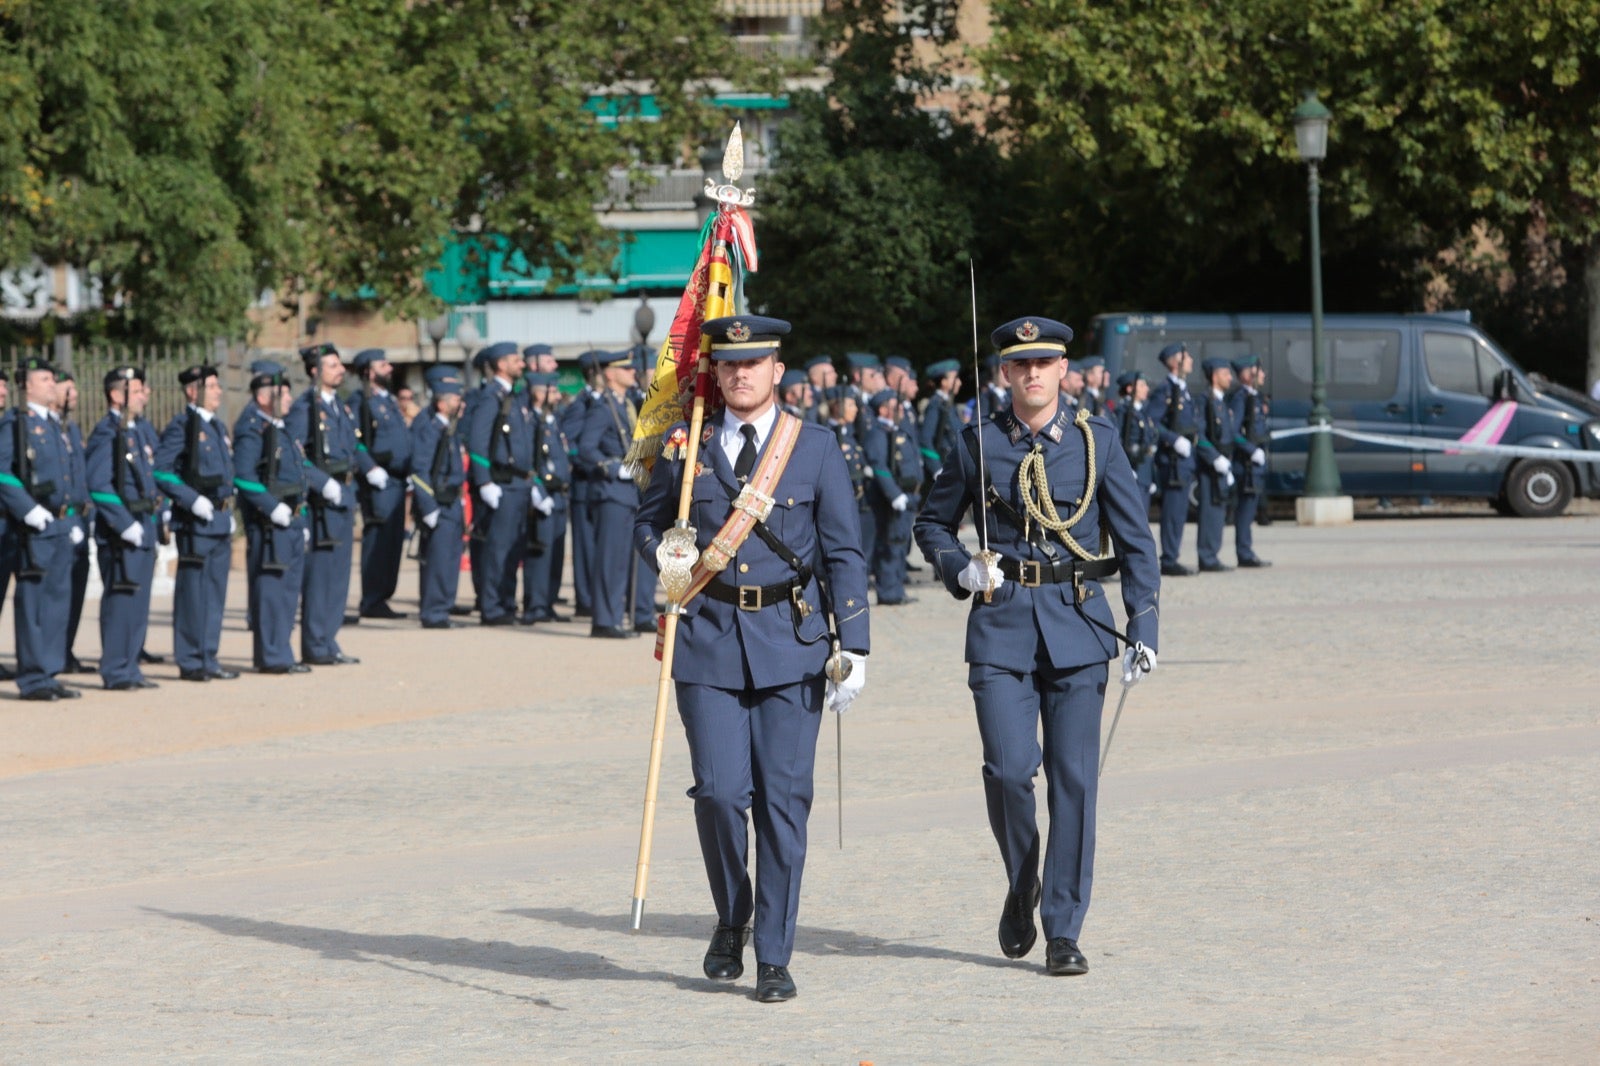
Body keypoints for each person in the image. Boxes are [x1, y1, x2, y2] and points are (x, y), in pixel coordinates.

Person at [634, 313, 870, 1004]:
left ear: (777, 370)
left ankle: (773, 952)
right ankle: (732, 912)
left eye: (754, 362)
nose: (741, 374)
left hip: (791, 642)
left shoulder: (815, 447)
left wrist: (852, 644)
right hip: (706, 635)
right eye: (729, 364)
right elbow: (647, 518)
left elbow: (844, 551)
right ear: (717, 370)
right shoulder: (688, 444)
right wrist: (665, 554)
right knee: (717, 792)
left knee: (783, 803)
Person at [913, 315, 1159, 977]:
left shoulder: (1097, 441)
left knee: (1075, 784)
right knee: (1007, 771)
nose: (1032, 375)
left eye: (1044, 363)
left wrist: (1145, 625)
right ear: (1004, 374)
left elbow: (1136, 541)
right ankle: (1023, 882)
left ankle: (1063, 928)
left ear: (1063, 371)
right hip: (1001, 625)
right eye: (1020, 365)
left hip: (1079, 626)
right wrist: (960, 568)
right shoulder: (976, 444)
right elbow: (932, 523)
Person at [0, 357, 84, 700]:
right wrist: (29, 509)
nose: (53, 384)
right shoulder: (16, 423)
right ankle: (33, 677)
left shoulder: (55, 425)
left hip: (60, 523)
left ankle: (49, 671)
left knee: (57, 602)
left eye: (53, 379)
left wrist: (72, 518)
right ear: (28, 386)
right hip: (35, 525)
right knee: (34, 603)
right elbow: (3, 473)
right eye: (45, 379)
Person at [154, 363, 237, 682]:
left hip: (217, 518)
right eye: (211, 386)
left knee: (215, 593)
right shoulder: (183, 425)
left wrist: (226, 509)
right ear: (193, 391)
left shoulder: (216, 426)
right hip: (195, 521)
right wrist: (193, 500)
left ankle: (208, 656)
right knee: (193, 594)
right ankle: (190, 659)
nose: (217, 392)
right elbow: (162, 471)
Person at [85, 367, 162, 690]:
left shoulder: (136, 431)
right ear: (117, 395)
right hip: (121, 531)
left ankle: (129, 666)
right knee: (121, 599)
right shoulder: (108, 431)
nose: (144, 394)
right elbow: (98, 482)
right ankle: (116, 669)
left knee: (137, 601)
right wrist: (124, 523)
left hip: (143, 524)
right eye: (136, 389)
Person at [232, 360, 310, 674]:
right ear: (266, 396)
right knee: (271, 592)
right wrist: (270, 506)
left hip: (289, 521)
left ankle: (283, 652)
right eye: (284, 394)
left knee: (288, 591)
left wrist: (297, 514)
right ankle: (271, 655)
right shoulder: (253, 428)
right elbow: (243, 476)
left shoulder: (280, 426)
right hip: (269, 523)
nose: (290, 400)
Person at [289, 343, 361, 664]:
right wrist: (322, 483)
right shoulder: (305, 407)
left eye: (339, 364)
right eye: (332, 365)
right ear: (315, 371)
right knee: (321, 575)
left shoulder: (339, 407)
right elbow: (294, 456)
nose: (340, 370)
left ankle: (329, 639)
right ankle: (315, 643)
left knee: (339, 574)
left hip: (343, 496)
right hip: (322, 501)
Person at [579, 349, 647, 637]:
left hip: (626, 494)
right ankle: (605, 620)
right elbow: (585, 448)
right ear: (610, 374)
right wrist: (611, 467)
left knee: (621, 560)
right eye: (627, 369)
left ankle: (615, 617)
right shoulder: (603, 408)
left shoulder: (624, 405)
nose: (634, 372)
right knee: (610, 559)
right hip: (610, 492)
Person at [465, 341, 534, 626]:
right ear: (501, 364)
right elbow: (478, 442)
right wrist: (484, 482)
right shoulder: (491, 396)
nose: (521, 363)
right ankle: (492, 607)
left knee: (513, 550)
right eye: (515, 359)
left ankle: (506, 603)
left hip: (518, 485)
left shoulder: (513, 397)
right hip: (501, 485)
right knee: (498, 550)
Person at [349, 348, 413, 620]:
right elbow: (354, 439)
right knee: (378, 541)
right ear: (369, 371)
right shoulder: (361, 400)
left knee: (393, 542)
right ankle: (372, 598)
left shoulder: (388, 400)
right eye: (382, 364)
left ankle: (383, 597)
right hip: (379, 480)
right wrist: (370, 468)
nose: (389, 367)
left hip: (397, 480)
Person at [410, 365, 469, 628]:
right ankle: (434, 611)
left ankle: (443, 607)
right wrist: (428, 506)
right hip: (439, 502)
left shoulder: (450, 428)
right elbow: (420, 470)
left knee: (451, 557)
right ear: (443, 404)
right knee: (438, 559)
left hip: (452, 500)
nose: (460, 403)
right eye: (456, 399)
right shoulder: (431, 428)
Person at [521, 371, 572, 624]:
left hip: (560, 496)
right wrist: (538, 492)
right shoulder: (533, 424)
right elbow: (530, 462)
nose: (556, 395)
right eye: (551, 391)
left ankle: (548, 602)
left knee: (556, 555)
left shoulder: (554, 421)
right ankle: (535, 605)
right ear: (538, 394)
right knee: (540, 555)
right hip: (543, 496)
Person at [861, 388, 919, 605]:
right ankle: (889, 592)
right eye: (896, 407)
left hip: (907, 495)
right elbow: (879, 466)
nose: (901, 410)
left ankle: (896, 588)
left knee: (900, 544)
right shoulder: (878, 432)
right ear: (883, 409)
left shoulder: (897, 430)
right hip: (891, 499)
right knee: (891, 545)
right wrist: (894, 494)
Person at [1148, 343, 1199, 577]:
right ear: (1173, 361)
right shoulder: (1165, 390)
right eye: (1185, 356)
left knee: (1180, 512)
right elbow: (1152, 422)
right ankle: (1169, 558)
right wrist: (1172, 439)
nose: (1189, 360)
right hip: (1173, 460)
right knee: (1173, 511)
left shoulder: (1182, 388)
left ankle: (1173, 555)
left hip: (1184, 460)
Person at [53, 369, 91, 674]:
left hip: (78, 519)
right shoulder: (40, 429)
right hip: (56, 521)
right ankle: (48, 656)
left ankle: (64, 651)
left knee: (74, 590)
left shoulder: (71, 429)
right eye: (68, 390)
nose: (74, 396)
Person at [561, 351, 602, 620]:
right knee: (586, 547)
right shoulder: (582, 404)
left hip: (601, 485)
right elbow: (570, 444)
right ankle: (585, 600)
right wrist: (589, 462)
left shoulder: (606, 402)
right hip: (585, 484)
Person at [1194, 356, 1239, 573]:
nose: (1230, 378)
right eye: (1225, 374)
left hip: (1223, 462)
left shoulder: (1221, 401)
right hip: (1210, 466)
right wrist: (1213, 457)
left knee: (1219, 510)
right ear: (1214, 376)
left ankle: (1213, 553)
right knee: (1210, 510)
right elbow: (1199, 434)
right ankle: (1207, 555)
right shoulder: (1205, 401)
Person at [1228, 355, 1272, 568]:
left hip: (1255, 464)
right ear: (1247, 374)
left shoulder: (1255, 397)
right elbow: (1234, 431)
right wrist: (1250, 450)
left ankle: (1247, 549)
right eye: (1259, 371)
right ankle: (1244, 552)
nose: (1263, 375)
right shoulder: (1241, 398)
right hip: (1245, 464)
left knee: (1251, 507)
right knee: (1245, 510)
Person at [1114, 370, 1160, 499]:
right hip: (1132, 468)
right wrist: (1125, 468)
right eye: (1142, 385)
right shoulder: (1123, 411)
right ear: (1130, 388)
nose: (1147, 389)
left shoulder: (1142, 412)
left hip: (1144, 471)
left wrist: (1152, 476)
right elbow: (1119, 441)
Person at [918, 358, 963, 477]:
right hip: (946, 466)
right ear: (944, 382)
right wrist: (937, 470)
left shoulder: (948, 404)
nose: (959, 382)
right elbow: (925, 439)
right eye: (955, 378)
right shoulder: (936, 404)